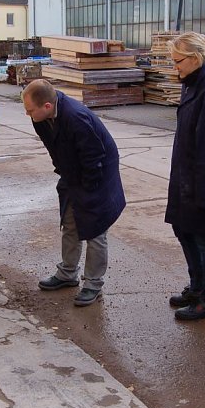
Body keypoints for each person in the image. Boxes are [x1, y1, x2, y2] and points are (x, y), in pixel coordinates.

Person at [21, 79, 126, 307]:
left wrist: (88, 190)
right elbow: (54, 149)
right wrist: (65, 175)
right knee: (70, 222)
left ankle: (93, 284)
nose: (26, 114)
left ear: (47, 106)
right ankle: (68, 273)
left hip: (97, 175)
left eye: (30, 110)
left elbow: (94, 157)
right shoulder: (40, 118)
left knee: (95, 230)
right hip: (73, 174)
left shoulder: (75, 117)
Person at [164, 32, 205, 321]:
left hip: (202, 181)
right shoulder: (190, 85)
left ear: (194, 59)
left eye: (178, 61)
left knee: (204, 238)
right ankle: (197, 286)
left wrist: (202, 191)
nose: (174, 67)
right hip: (185, 176)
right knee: (184, 231)